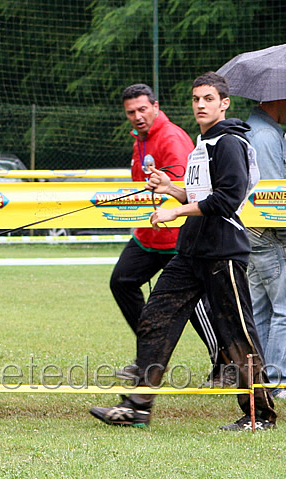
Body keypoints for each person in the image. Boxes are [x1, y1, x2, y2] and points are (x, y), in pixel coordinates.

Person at [90, 72, 276, 431]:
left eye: (208, 99)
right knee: (154, 319)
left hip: (222, 252)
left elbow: (226, 199)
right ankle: (137, 407)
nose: (200, 105)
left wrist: (174, 211)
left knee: (237, 335)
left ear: (224, 103)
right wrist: (170, 188)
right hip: (190, 251)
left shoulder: (230, 143)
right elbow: (200, 195)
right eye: (195, 99)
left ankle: (259, 415)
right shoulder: (201, 143)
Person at [110, 84, 221, 383]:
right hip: (148, 235)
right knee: (122, 281)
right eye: (131, 112)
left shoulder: (171, 137)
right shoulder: (140, 139)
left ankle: (224, 363)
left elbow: (189, 185)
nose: (137, 116)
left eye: (142, 109)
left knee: (196, 303)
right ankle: (149, 356)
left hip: (177, 236)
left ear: (156, 106)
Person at [245, 100, 286, 398]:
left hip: (252, 233)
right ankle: (275, 381)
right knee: (284, 310)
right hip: (270, 233)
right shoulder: (267, 137)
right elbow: (272, 197)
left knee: (259, 309)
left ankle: (257, 379)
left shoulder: (253, 127)